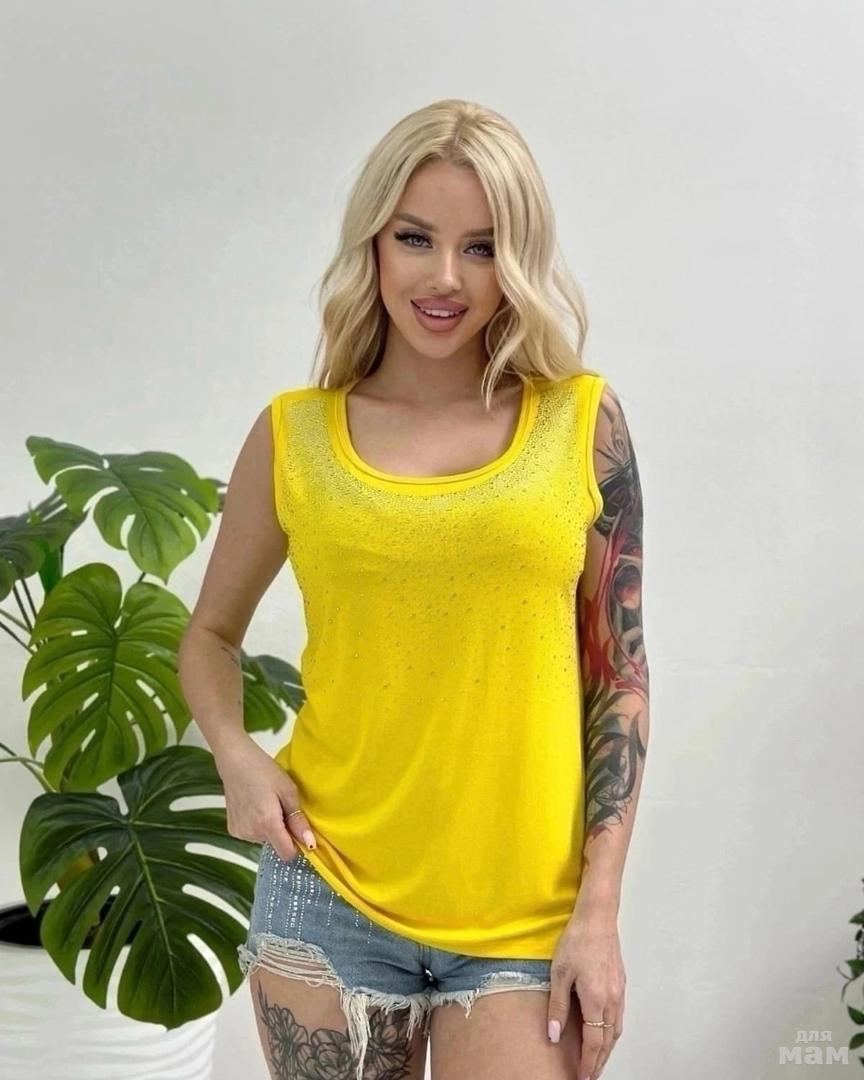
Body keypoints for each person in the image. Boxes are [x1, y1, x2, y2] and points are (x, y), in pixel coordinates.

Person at [178, 98, 649, 1080]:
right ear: (373, 245)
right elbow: (210, 635)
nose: (445, 278)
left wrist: (598, 913)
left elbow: (619, 681)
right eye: (415, 238)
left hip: (528, 917)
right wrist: (237, 755)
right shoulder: (295, 435)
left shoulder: (581, 424)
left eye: (482, 247)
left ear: (518, 260)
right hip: (325, 893)